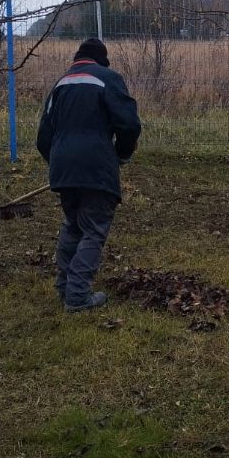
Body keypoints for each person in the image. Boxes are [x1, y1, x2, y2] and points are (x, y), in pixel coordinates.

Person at [36, 37, 141, 313]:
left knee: (73, 225)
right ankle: (78, 295)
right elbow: (129, 124)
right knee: (94, 229)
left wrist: (60, 163)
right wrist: (121, 154)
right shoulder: (108, 78)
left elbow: (43, 137)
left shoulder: (60, 84)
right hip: (96, 167)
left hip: (64, 170)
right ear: (102, 60)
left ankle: (64, 288)